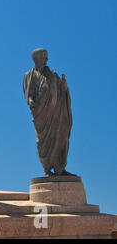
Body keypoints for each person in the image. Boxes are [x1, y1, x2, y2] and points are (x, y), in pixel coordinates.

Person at [23, 48, 75, 176]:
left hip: (57, 112)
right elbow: (28, 93)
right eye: (43, 57)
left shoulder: (53, 74)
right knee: (43, 141)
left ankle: (60, 168)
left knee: (60, 136)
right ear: (35, 58)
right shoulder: (29, 75)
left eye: (47, 57)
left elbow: (62, 91)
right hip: (42, 114)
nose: (46, 60)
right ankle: (47, 168)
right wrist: (31, 101)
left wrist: (64, 87)